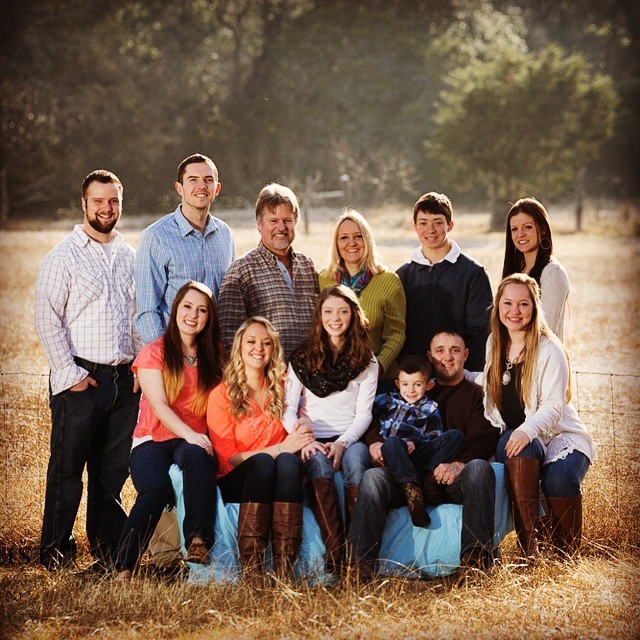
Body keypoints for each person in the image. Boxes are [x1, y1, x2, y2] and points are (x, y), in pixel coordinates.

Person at [34, 169, 140, 570]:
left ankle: (108, 548)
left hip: (121, 380)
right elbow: (47, 316)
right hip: (79, 379)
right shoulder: (63, 255)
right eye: (98, 201)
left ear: (120, 203)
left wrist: (139, 367)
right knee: (66, 470)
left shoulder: (129, 257)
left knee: (111, 473)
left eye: (112, 201)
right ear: (84, 204)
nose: (106, 208)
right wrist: (69, 373)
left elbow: (135, 318)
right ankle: (55, 552)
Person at [349, 329, 499, 579]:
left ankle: (474, 563)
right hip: (406, 478)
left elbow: (483, 437)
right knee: (374, 478)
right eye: (440, 351)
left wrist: (458, 464)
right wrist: (375, 442)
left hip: (446, 478)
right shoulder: (414, 388)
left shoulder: (476, 395)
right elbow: (374, 416)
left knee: (480, 469)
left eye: (455, 350)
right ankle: (359, 567)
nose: (447, 357)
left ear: (466, 355)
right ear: (430, 356)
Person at [113, 281, 224, 579]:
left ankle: (199, 542)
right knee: (156, 488)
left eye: (202, 310)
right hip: (153, 439)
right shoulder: (155, 352)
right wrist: (190, 434)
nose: (193, 315)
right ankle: (124, 566)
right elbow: (159, 405)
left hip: (194, 440)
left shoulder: (215, 355)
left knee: (197, 456)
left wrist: (197, 438)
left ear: (209, 317)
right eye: (187, 306)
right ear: (175, 310)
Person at [481, 273, 595, 561]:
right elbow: (487, 383)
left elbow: (553, 406)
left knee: (559, 480)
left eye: (523, 304)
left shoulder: (549, 349)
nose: (514, 311)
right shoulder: (495, 343)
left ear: (534, 308)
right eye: (507, 303)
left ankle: (565, 557)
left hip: (560, 437)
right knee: (513, 446)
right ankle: (531, 552)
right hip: (521, 438)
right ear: (498, 306)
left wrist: (525, 431)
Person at [206, 317, 314, 579]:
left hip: (280, 476)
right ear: (240, 347)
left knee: (288, 461)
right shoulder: (221, 395)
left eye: (266, 343)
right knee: (270, 461)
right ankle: (253, 569)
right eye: (251, 342)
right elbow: (230, 459)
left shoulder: (284, 386)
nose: (259, 348)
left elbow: (306, 412)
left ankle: (285, 568)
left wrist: (305, 420)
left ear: (274, 349)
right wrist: (280, 448)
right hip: (237, 480)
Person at [284, 285, 378, 571]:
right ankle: (336, 552)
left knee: (356, 466)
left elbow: (364, 414)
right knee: (319, 469)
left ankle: (358, 552)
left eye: (342, 311)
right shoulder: (302, 357)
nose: (334, 318)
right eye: (328, 311)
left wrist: (343, 443)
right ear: (319, 316)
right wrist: (304, 440)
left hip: (351, 437)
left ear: (353, 315)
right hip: (312, 437)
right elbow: (287, 408)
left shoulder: (367, 360)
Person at [135, 153, 235, 344]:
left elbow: (228, 301)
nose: (202, 186)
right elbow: (147, 312)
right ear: (179, 188)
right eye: (193, 180)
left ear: (217, 188)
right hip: (174, 352)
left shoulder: (225, 234)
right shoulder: (155, 237)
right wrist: (166, 358)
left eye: (208, 180)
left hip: (214, 353)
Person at [217, 183, 318, 361]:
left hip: (313, 378)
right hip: (269, 381)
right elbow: (230, 338)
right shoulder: (241, 271)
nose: (281, 227)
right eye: (273, 221)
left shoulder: (307, 265)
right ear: (259, 224)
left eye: (287, 220)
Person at [397, 191, 492, 371]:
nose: (430, 230)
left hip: (459, 377)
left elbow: (480, 332)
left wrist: (467, 377)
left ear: (450, 225)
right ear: (415, 227)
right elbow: (398, 332)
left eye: (438, 223)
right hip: (415, 382)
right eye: (423, 223)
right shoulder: (402, 276)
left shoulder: (473, 273)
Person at [372, 355, 465, 528]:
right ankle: (412, 489)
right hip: (394, 457)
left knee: (455, 436)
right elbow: (367, 415)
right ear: (398, 384)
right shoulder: (386, 400)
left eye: (417, 384)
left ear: (429, 385)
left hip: (418, 456)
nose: (411, 390)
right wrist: (376, 443)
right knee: (392, 442)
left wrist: (417, 443)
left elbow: (434, 438)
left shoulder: (430, 407)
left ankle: (429, 480)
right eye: (405, 384)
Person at [318, 208, 405, 386]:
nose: (352, 243)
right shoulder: (322, 280)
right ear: (336, 243)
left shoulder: (389, 281)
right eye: (344, 237)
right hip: (334, 380)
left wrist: (379, 367)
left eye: (358, 236)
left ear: (368, 240)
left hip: (377, 382)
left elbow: (396, 334)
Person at [502, 197, 570, 340]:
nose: (520, 234)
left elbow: (545, 331)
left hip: (542, 360)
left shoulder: (552, 273)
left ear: (543, 228)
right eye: (514, 229)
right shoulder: (516, 271)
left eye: (528, 227)